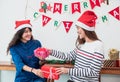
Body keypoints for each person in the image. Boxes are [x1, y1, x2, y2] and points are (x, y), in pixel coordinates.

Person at [47, 10, 104, 82]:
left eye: (78, 28)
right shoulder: (81, 45)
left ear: (85, 29)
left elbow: (93, 71)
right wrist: (51, 52)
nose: (77, 31)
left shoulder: (98, 45)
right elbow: (68, 56)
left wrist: (68, 71)